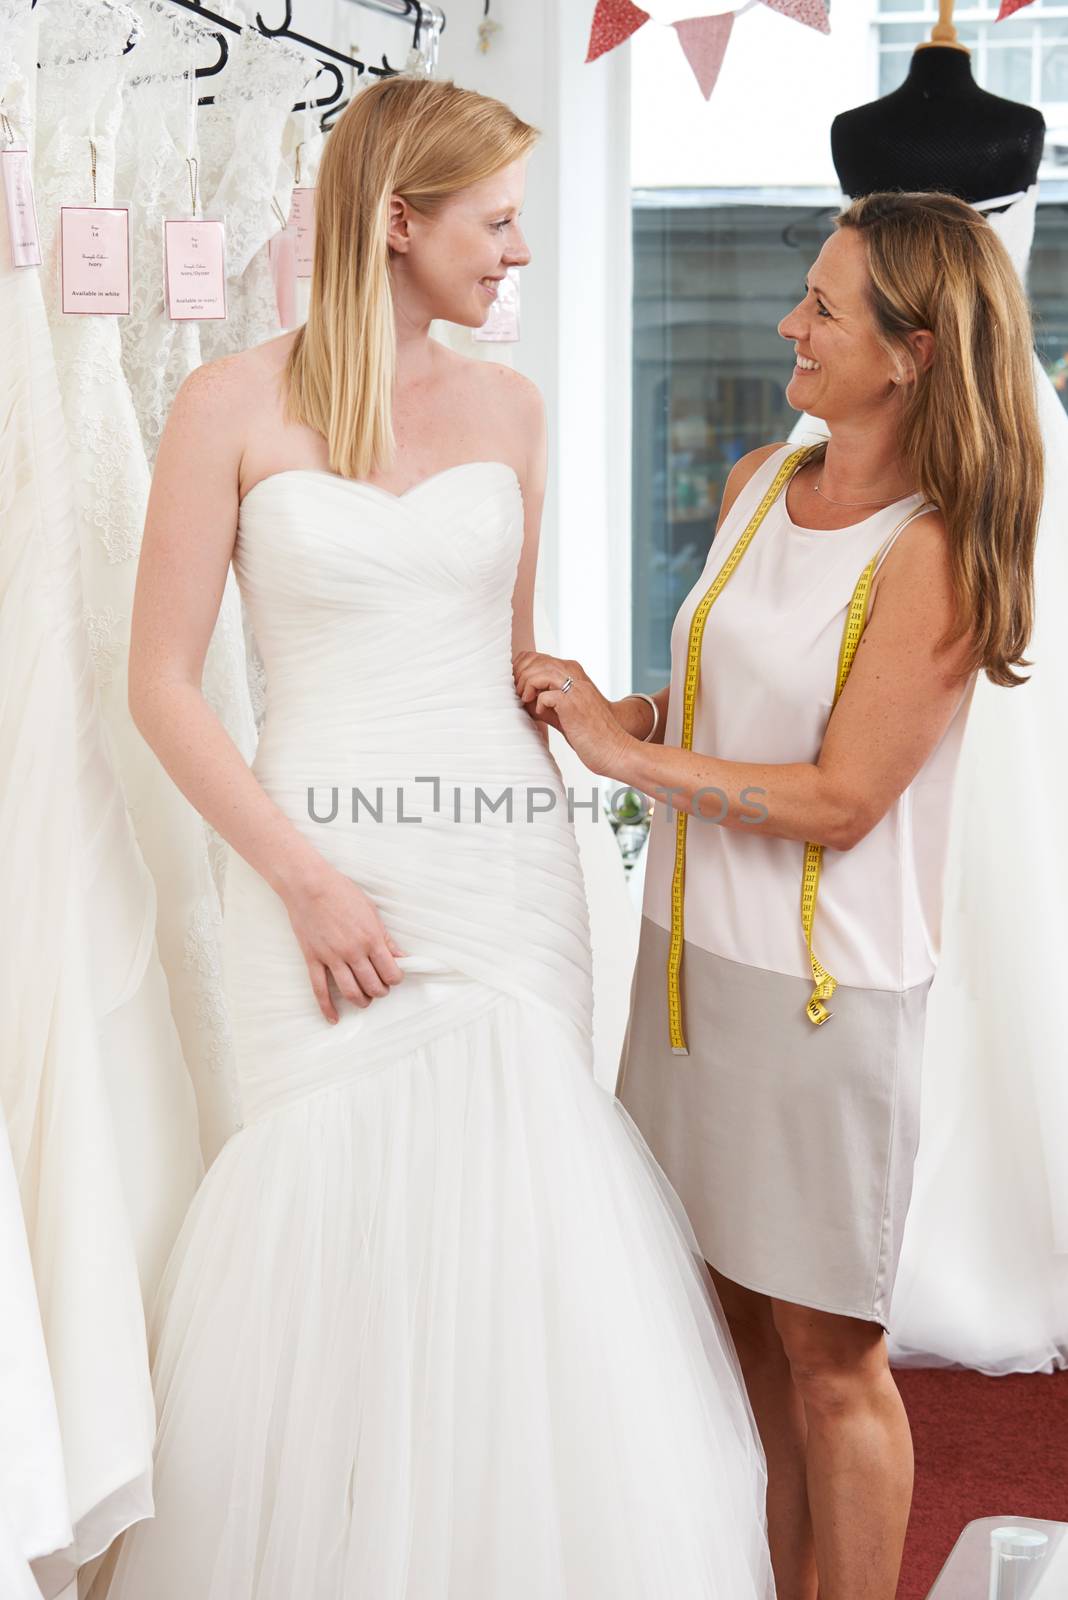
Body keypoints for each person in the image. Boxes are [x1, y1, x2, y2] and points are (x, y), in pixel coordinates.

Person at [88, 76, 775, 1600]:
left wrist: (602, 707)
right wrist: (307, 880)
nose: (519, 252)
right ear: (397, 222)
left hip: (501, 857)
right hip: (310, 856)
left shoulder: (513, 408)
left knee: (522, 1215)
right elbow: (159, 685)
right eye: (499, 219)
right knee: (322, 1221)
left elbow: (503, 651)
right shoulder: (230, 403)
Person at [514, 191, 1042, 1600]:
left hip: (822, 1005)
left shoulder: (934, 550)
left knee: (830, 1358)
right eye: (804, 294)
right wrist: (593, 707)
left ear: (914, 353)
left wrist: (629, 757)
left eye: (823, 307)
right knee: (727, 1331)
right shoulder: (763, 479)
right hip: (685, 970)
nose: (787, 325)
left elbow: (839, 799)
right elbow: (712, 704)